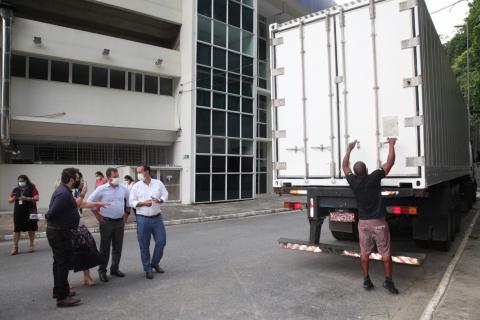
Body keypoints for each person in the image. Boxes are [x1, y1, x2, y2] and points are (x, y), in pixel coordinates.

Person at [342, 138, 399, 294]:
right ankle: (388, 281)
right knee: (385, 252)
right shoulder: (374, 177)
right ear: (367, 170)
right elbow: (390, 163)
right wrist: (392, 145)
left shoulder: (353, 181)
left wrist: (349, 149)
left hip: (363, 224)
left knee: (364, 252)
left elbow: (344, 166)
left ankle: (366, 280)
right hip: (379, 223)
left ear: (355, 172)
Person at [46, 168, 107, 307]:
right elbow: (51, 214)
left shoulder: (64, 191)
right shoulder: (63, 193)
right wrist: (84, 193)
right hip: (59, 233)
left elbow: (74, 205)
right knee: (62, 264)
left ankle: (59, 291)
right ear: (72, 179)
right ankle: (62, 298)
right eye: (78, 178)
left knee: (58, 262)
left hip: (60, 231)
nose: (79, 180)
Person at [88, 167, 130, 282]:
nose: (117, 178)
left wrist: (126, 213)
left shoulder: (123, 188)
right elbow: (89, 202)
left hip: (119, 222)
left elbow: (129, 201)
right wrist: (98, 216)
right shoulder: (101, 189)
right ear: (108, 178)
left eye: (117, 176)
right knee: (104, 248)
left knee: (118, 247)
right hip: (106, 223)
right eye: (114, 177)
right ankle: (102, 271)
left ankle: (115, 268)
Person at [129, 164, 168, 279]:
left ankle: (155, 262)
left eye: (140, 172)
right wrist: (142, 203)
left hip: (157, 218)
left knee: (161, 241)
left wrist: (160, 200)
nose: (138, 174)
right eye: (137, 172)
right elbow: (131, 202)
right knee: (144, 245)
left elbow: (165, 195)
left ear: (147, 172)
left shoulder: (158, 183)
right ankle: (147, 269)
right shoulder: (136, 186)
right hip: (142, 219)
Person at [8, 175, 39, 255]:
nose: (21, 182)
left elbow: (37, 198)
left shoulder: (32, 188)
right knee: (17, 229)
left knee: (31, 228)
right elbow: (9, 200)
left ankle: (31, 244)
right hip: (19, 212)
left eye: (22, 181)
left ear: (26, 180)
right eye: (19, 181)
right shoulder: (16, 189)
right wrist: (14, 198)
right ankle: (15, 247)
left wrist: (26, 198)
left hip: (31, 211)